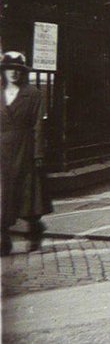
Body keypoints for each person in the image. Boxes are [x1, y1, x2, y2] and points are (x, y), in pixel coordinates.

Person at [1, 51, 51, 255]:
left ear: (23, 72)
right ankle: (3, 239)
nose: (14, 73)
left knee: (28, 196)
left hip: (25, 148)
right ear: (4, 71)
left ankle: (35, 229)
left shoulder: (34, 94)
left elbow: (39, 126)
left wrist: (38, 153)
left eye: (18, 70)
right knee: (3, 196)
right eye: (10, 69)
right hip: (2, 151)